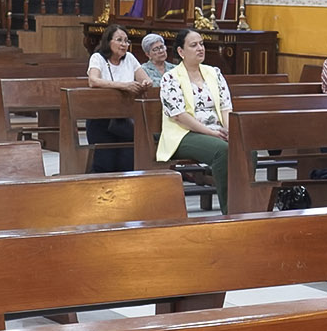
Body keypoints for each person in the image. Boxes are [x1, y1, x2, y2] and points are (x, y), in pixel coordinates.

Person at [157, 28, 233, 211]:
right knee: (223, 150)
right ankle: (230, 211)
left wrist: (231, 131)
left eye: (201, 44)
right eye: (193, 45)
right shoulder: (170, 78)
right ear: (181, 51)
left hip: (216, 131)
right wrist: (211, 133)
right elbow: (179, 115)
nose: (200, 48)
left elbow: (225, 107)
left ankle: (246, 205)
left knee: (246, 149)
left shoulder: (214, 73)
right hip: (183, 134)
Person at [84, 25, 150, 172]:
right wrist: (123, 86)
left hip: (126, 118)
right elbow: (93, 81)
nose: (123, 44)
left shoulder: (130, 58)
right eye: (119, 40)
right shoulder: (98, 58)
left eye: (126, 41)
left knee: (127, 162)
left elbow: (145, 79)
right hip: (101, 117)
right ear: (108, 41)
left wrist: (145, 84)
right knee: (105, 163)